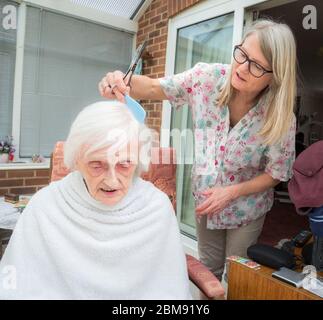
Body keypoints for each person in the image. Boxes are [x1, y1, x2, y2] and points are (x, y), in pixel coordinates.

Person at [98, 19, 297, 281]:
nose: (242, 68)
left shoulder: (280, 117)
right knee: (208, 271)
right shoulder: (207, 78)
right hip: (206, 202)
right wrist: (121, 82)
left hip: (246, 210)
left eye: (257, 66)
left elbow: (277, 173)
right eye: (242, 54)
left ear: (275, 75)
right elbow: (155, 87)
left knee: (235, 277)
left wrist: (231, 193)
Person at [0, 101, 192, 299]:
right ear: (76, 160)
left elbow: (170, 289)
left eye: (124, 164)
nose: (111, 180)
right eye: (96, 165)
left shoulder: (156, 207)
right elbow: (16, 285)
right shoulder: (45, 205)